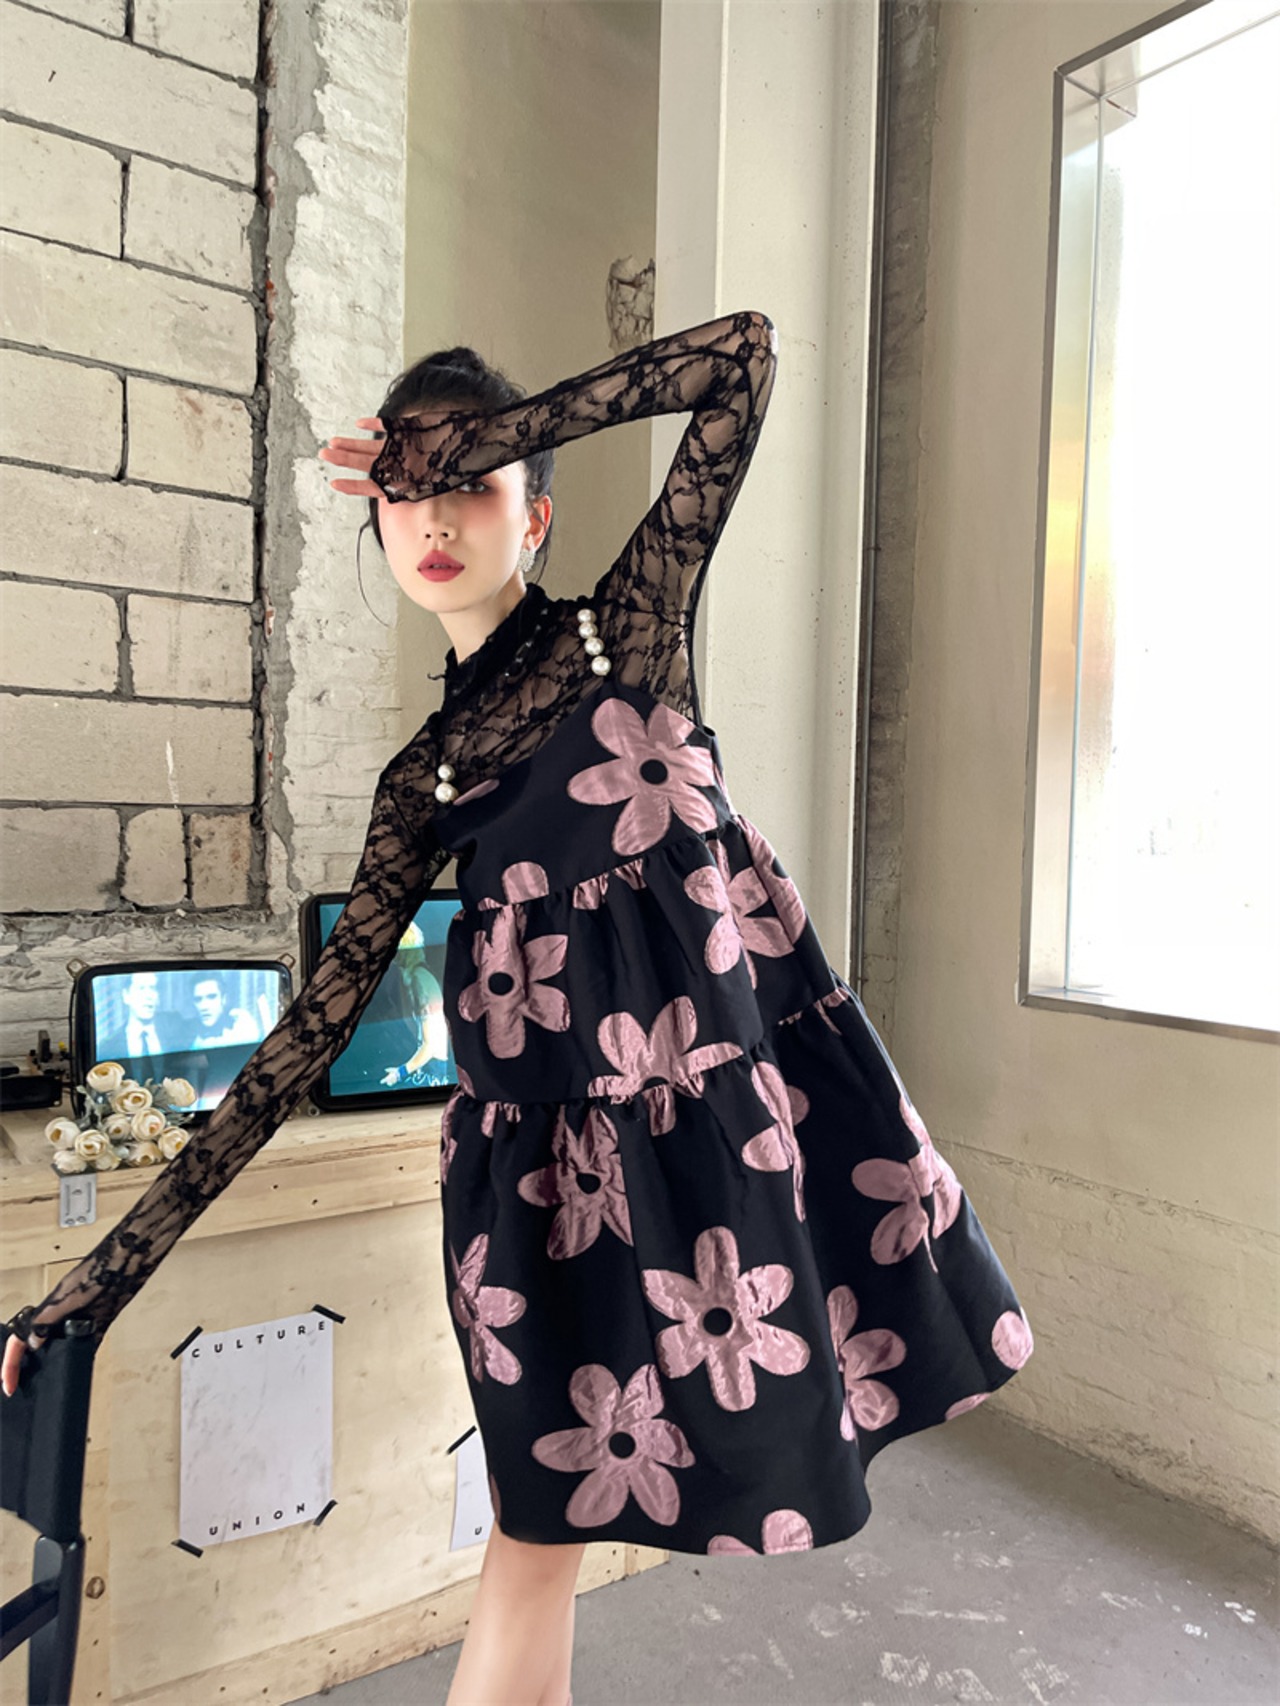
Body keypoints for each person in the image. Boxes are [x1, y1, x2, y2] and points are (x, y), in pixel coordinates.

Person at [3, 310, 1034, 1706]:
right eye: (404, 491)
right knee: (537, 1529)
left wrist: (496, 428)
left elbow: (740, 361)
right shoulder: (424, 781)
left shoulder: (633, 631)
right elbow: (301, 1045)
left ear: (534, 515)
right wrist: (101, 1277)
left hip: (718, 1158)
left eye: (471, 485)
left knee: (539, 1541)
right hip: (538, 1201)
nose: (433, 517)